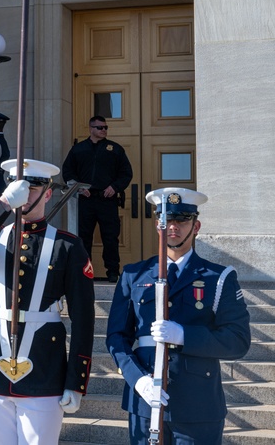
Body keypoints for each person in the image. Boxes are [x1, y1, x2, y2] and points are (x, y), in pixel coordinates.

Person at [0, 159, 95, 445]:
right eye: (17, 186)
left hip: (43, 369)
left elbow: (84, 319)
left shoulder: (67, 246)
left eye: (32, 188)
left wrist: (76, 381)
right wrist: (3, 204)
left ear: (47, 193)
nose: (24, 193)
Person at [105, 188, 251, 445]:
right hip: (145, 401)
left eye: (182, 219)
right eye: (167, 220)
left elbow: (237, 340)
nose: (174, 227)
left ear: (196, 226)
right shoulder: (134, 275)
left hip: (198, 404)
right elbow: (117, 337)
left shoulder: (219, 277)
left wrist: (184, 335)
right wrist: (137, 380)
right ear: (157, 225)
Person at [61, 115, 134, 282]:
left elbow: (126, 173)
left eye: (105, 127)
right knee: (83, 238)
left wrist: (114, 187)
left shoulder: (115, 149)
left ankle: (113, 272)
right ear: (91, 129)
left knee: (110, 237)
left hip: (107, 200)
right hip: (86, 200)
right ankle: (85, 272)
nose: (104, 130)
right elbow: (68, 172)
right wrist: (78, 187)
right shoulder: (78, 149)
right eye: (100, 127)